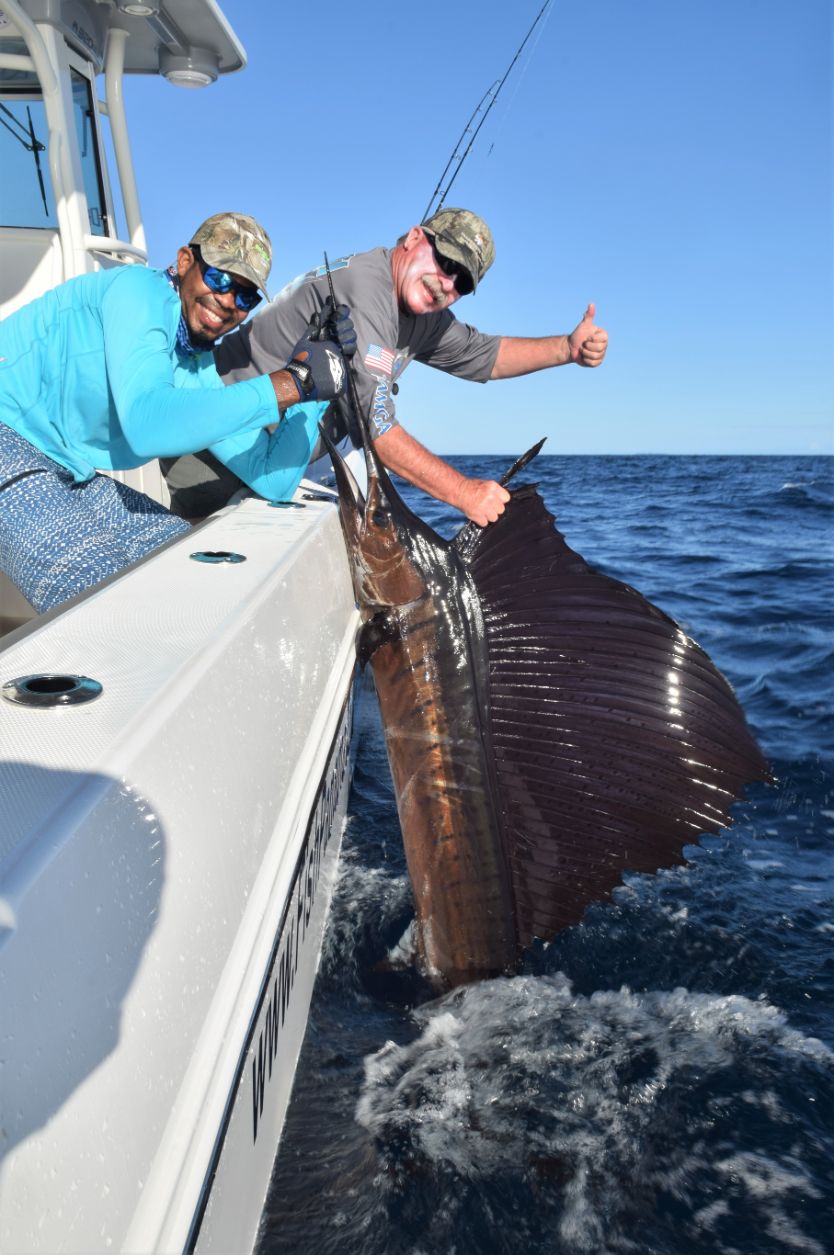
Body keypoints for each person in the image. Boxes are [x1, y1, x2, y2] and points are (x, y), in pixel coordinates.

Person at [161, 207, 609, 527]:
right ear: (414, 238)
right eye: (446, 261)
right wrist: (463, 493)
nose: (446, 283)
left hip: (286, 450)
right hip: (217, 449)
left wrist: (566, 349)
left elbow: (484, 355)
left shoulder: (424, 311)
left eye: (462, 282)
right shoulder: (367, 287)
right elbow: (374, 425)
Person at [0, 212, 355, 614]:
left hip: (69, 469)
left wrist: (317, 382)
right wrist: (293, 381)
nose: (227, 301)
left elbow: (274, 481)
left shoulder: (195, 366)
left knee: (195, 569)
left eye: (245, 296)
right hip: (6, 434)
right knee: (106, 605)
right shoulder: (137, 291)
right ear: (185, 261)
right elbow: (147, 423)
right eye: (220, 277)